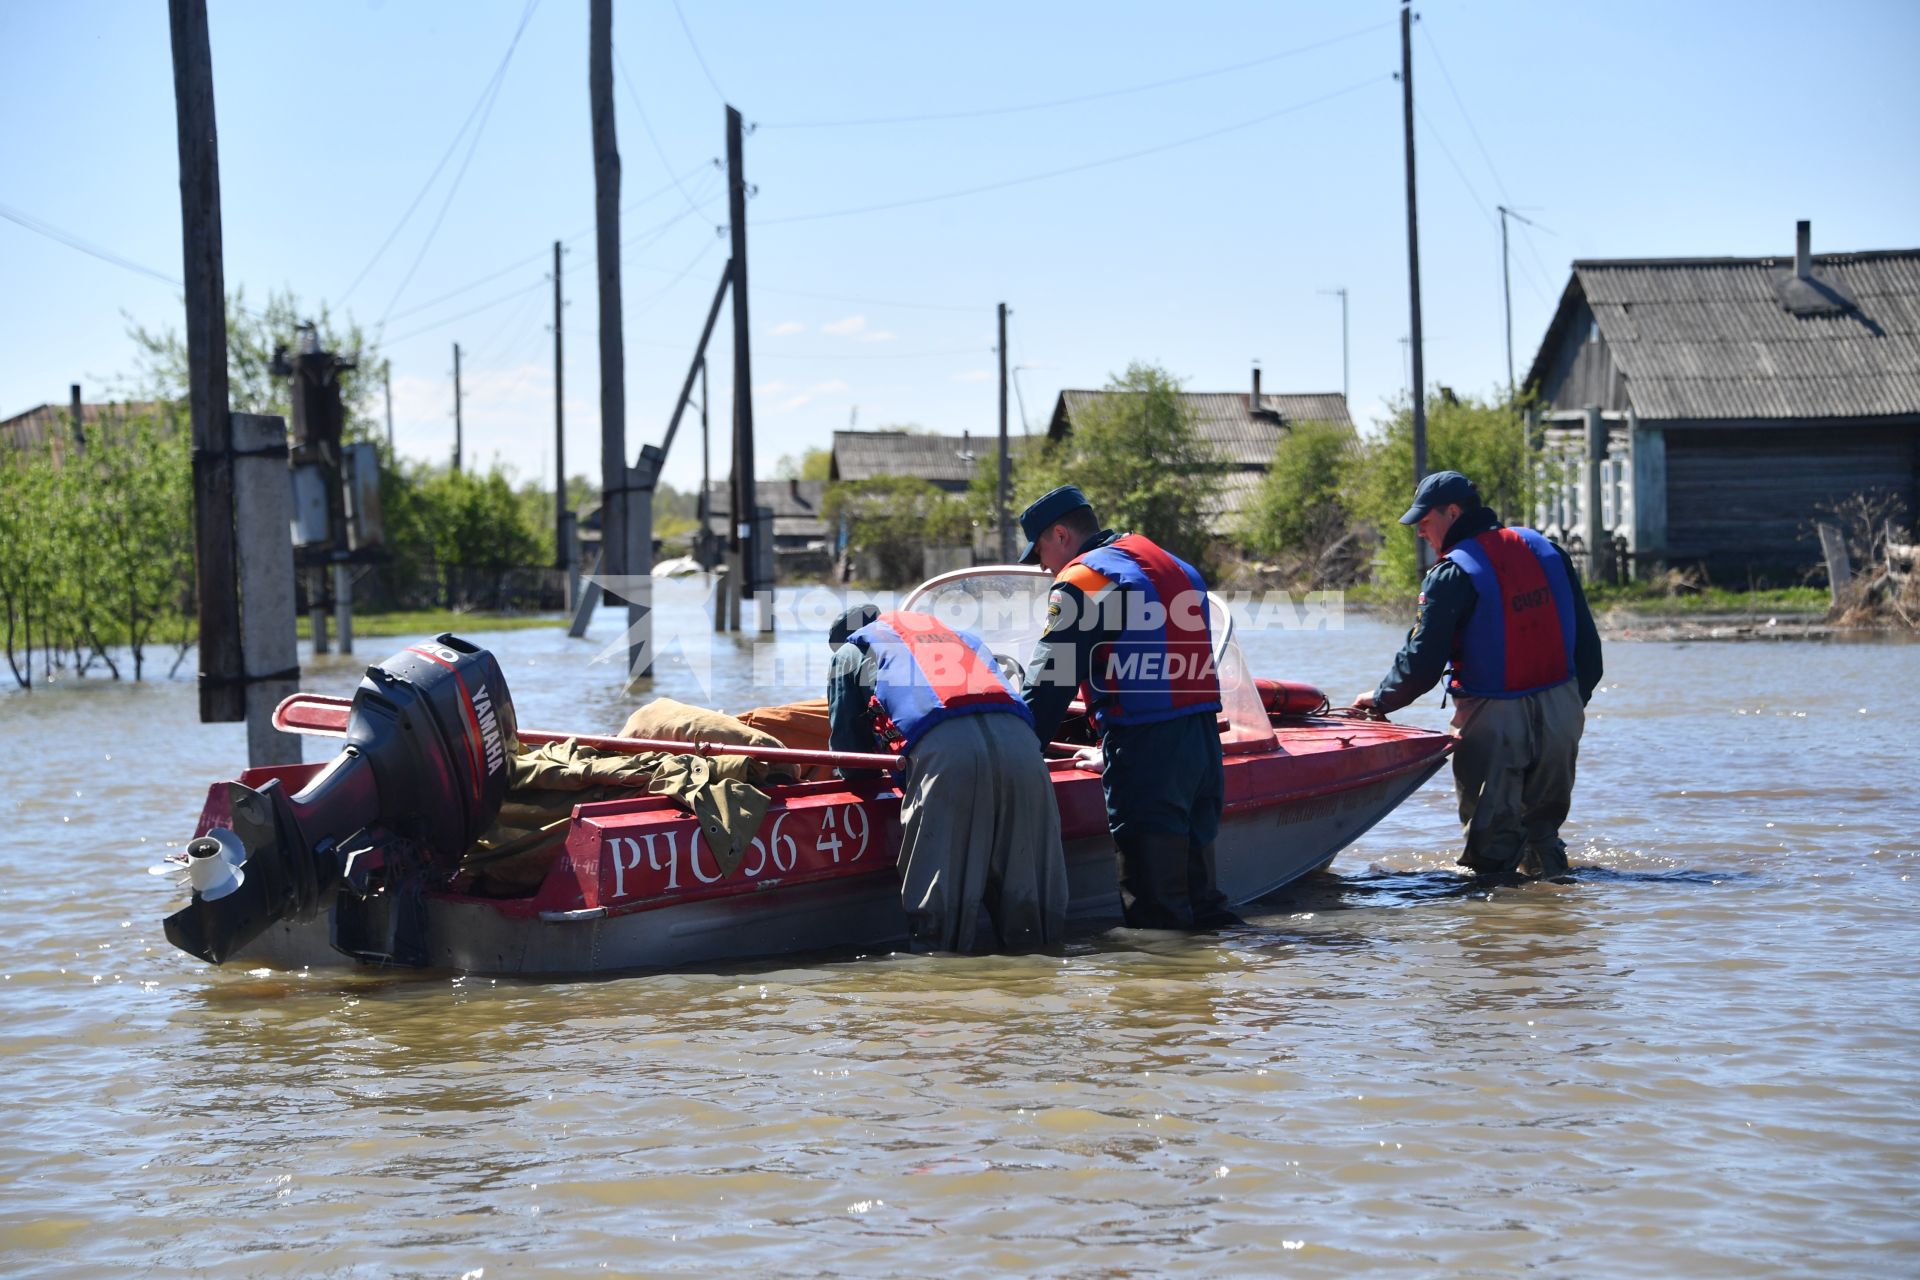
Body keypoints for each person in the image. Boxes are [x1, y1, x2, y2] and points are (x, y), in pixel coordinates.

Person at [1350, 470, 1603, 883]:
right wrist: (1570, 704)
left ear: (1453, 512)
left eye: (1425, 521)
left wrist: (1379, 701)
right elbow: (1588, 648)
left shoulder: (1452, 572)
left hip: (1495, 716)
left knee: (1491, 853)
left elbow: (1422, 663)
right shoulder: (1547, 549)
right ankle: (1554, 928)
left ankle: (1492, 937)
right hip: (1563, 708)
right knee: (1544, 835)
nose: (1419, 532)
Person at [1014, 485, 1239, 930]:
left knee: (1156, 918)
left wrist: (1014, 754)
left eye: (1039, 549)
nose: (1041, 564)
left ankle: (1157, 999)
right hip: (1201, 748)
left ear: (1060, 535)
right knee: (1201, 902)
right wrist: (1109, 751)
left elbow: (1049, 684)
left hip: (1147, 755)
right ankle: (1213, 990)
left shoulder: (1085, 581)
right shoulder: (1171, 564)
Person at [826, 604, 1067, 952]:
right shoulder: (962, 637)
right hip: (1024, 750)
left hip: (946, 756)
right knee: (1035, 928)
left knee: (940, 932)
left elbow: (850, 757)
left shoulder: (852, 651)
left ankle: (944, 995)